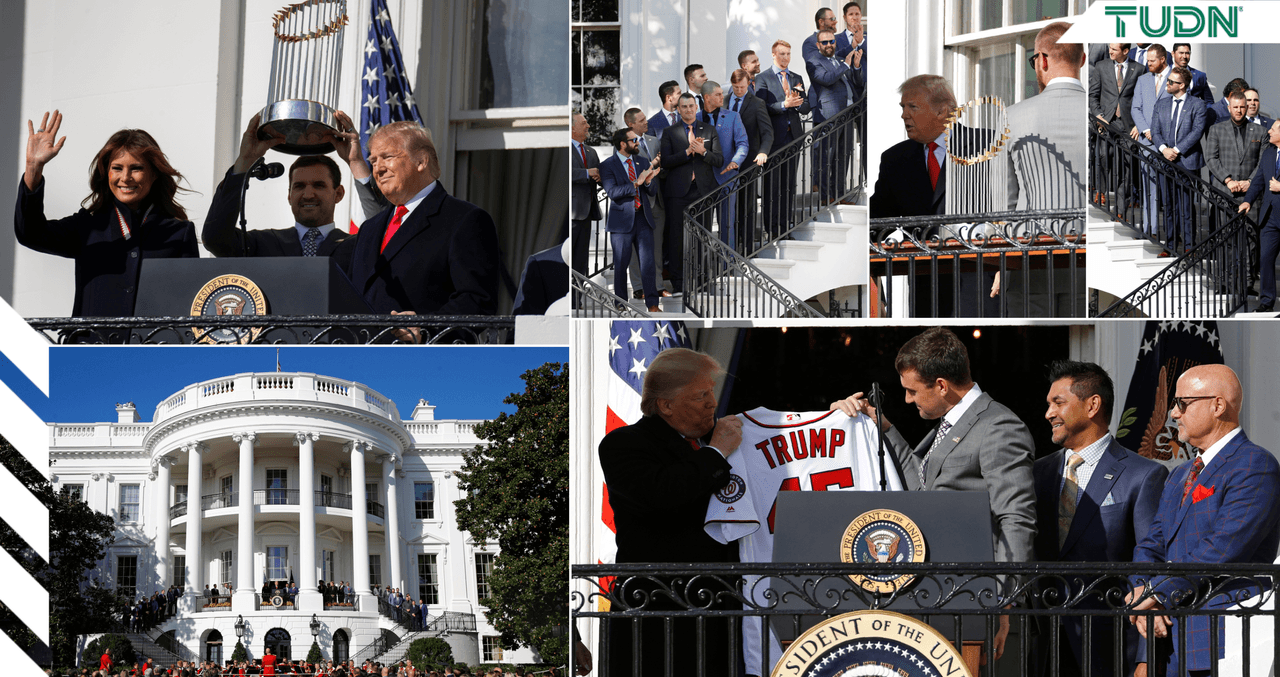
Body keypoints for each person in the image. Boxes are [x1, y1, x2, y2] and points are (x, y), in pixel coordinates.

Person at [831, 326, 1037, 659]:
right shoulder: (950, 423)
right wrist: (880, 426)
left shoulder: (998, 426)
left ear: (941, 385)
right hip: (940, 597)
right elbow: (923, 488)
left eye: (912, 391)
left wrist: (1003, 601)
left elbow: (1016, 518)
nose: (907, 399)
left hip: (978, 605)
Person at [598, 347, 743, 677]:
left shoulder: (721, 438)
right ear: (665, 405)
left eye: (711, 393)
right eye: (701, 395)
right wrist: (717, 452)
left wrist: (843, 414)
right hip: (656, 611)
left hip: (716, 608)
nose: (712, 403)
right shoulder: (623, 443)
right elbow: (662, 495)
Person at [1128, 364, 1280, 676]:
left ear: (1218, 405)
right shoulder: (1180, 474)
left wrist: (1156, 596)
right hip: (1167, 641)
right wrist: (1144, 597)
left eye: (1182, 403)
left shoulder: (1255, 464)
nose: (1173, 413)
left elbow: (1222, 549)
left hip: (1221, 640)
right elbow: (1150, 546)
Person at [1033, 361, 1168, 677]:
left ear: (1093, 404)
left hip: (1114, 647)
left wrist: (1146, 659)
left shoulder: (1143, 475)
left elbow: (1152, 563)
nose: (1048, 413)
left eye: (1059, 402)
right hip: (1047, 644)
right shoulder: (1038, 473)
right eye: (1049, 404)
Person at [14, 110, 199, 317]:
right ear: (106, 173)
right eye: (117, 168)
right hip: (92, 347)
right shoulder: (87, 226)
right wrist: (33, 168)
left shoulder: (179, 232)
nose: (125, 178)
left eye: (136, 168)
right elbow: (29, 233)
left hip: (153, 348)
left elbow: (190, 305)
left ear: (154, 173)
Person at [343, 121, 501, 324]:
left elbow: (477, 300)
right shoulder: (369, 228)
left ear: (421, 162)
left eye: (387, 157)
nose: (378, 169)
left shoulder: (464, 220)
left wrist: (424, 329)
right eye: (373, 161)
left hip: (424, 353)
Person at [201, 112, 356, 264]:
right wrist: (244, 162)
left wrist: (356, 163)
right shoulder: (263, 244)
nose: (308, 194)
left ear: (339, 193)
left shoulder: (356, 246)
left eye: (319, 185)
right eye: (299, 186)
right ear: (289, 195)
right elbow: (215, 239)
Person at [1007, 21, 1086, 212]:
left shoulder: (1010, 117)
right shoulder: (1101, 116)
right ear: (1082, 59)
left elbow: (1003, 202)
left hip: (1030, 237)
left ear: (1042, 60)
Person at [658, 93, 722, 296]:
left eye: (691, 106)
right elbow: (666, 162)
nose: (688, 109)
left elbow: (719, 160)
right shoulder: (669, 132)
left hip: (702, 191)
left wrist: (703, 151)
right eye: (683, 106)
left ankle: (702, 281)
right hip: (678, 192)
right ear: (678, 109)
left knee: (702, 237)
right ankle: (678, 283)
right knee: (677, 238)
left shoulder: (709, 130)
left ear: (697, 107)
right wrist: (686, 152)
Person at [869, 75, 955, 218]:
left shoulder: (985, 146)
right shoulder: (894, 159)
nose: (904, 115)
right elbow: (878, 218)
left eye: (913, 107)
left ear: (941, 111)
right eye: (903, 107)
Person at [600, 128, 661, 312]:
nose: (637, 142)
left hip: (643, 218)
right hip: (621, 222)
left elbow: (651, 190)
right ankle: (620, 304)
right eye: (633, 140)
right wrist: (636, 183)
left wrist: (649, 181)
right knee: (621, 265)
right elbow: (613, 193)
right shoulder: (607, 165)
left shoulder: (642, 161)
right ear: (622, 144)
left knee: (648, 263)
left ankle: (652, 304)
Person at [1151, 65, 1207, 253]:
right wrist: (1163, 149)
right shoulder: (1161, 104)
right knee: (1168, 205)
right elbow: (1155, 130)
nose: (1167, 84)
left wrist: (1175, 150)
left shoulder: (1197, 105)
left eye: (1171, 82)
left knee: (1186, 207)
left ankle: (1189, 247)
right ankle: (1171, 244)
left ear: (1182, 85)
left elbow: (1197, 131)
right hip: (1164, 160)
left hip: (1187, 161)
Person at [757, 40, 810, 240]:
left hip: (793, 136)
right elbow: (763, 108)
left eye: (788, 54)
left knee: (789, 184)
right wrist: (783, 104)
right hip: (774, 138)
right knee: (772, 184)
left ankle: (785, 226)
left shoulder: (796, 77)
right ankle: (772, 229)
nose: (785, 58)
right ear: (773, 55)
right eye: (781, 54)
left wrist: (796, 104)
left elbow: (806, 107)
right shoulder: (763, 78)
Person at [809, 29, 862, 204]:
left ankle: (839, 195)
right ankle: (825, 197)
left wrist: (854, 66)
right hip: (829, 117)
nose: (829, 45)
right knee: (827, 158)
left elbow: (854, 81)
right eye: (824, 42)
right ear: (818, 45)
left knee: (843, 157)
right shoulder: (814, 62)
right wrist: (846, 66)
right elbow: (827, 79)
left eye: (831, 41)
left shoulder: (840, 60)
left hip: (847, 115)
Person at [1237, 119, 1280, 313]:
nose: (1269, 131)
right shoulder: (1269, 153)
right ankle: (1266, 302)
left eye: (1273, 128)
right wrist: (1248, 201)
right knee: (1265, 259)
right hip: (1269, 217)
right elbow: (1258, 181)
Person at [727, 69, 773, 251]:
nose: (739, 90)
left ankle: (746, 248)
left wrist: (763, 152)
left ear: (749, 85)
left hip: (749, 161)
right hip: (726, 162)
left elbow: (767, 133)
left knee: (747, 206)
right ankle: (729, 246)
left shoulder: (757, 103)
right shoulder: (722, 101)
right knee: (729, 206)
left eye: (742, 87)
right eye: (736, 87)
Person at [1090, 43, 1141, 205]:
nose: (1109, 51)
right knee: (1104, 155)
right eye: (1110, 48)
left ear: (1125, 51)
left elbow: (1141, 99)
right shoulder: (1101, 66)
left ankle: (1122, 204)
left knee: (1127, 163)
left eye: (1114, 49)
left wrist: (1139, 125)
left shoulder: (1139, 69)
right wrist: (1098, 115)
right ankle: (1101, 190)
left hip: (1128, 124)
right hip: (1106, 121)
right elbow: (1093, 95)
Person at [699, 81, 749, 248]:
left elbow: (743, 143)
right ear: (707, 98)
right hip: (702, 180)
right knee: (701, 227)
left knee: (727, 224)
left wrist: (736, 161)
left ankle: (728, 265)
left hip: (727, 177)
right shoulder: (695, 118)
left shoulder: (733, 116)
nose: (723, 97)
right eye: (718, 94)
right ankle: (703, 268)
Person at [1130, 44, 1171, 236]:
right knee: (1149, 189)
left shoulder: (1176, 78)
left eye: (1152, 61)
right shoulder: (1143, 79)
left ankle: (1172, 234)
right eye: (1147, 60)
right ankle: (1150, 229)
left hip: (1170, 144)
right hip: (1147, 143)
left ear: (1163, 59)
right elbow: (1135, 108)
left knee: (1170, 191)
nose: (1148, 64)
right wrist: (1146, 129)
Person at [1203, 90, 1267, 201]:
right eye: (1235, 107)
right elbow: (1211, 158)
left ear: (1246, 108)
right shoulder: (1216, 130)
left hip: (1251, 195)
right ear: (1229, 108)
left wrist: (1250, 181)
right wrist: (1228, 180)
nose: (1239, 111)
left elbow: (1263, 161)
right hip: (1224, 192)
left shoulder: (1261, 131)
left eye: (1242, 107)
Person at [569, 113, 601, 276]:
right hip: (572, 213)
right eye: (584, 123)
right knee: (568, 259)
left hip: (587, 213)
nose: (588, 125)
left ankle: (577, 301)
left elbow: (599, 175)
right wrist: (586, 173)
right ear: (572, 128)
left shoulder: (591, 151)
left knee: (581, 261)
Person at [1170, 43, 1214, 109]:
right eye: (1181, 53)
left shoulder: (1200, 76)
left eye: (1187, 53)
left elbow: (1208, 102)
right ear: (1173, 54)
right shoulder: (1164, 73)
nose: (1184, 56)